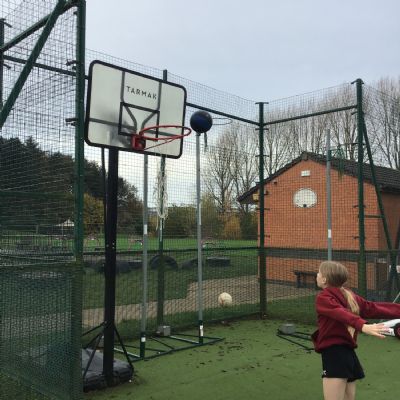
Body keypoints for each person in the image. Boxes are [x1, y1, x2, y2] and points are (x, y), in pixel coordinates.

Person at [312, 260, 400, 400]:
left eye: (319, 272)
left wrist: (362, 325)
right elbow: (371, 308)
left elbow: (340, 312)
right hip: (347, 354)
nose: (316, 275)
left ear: (324, 279)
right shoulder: (348, 295)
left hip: (335, 355)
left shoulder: (323, 297)